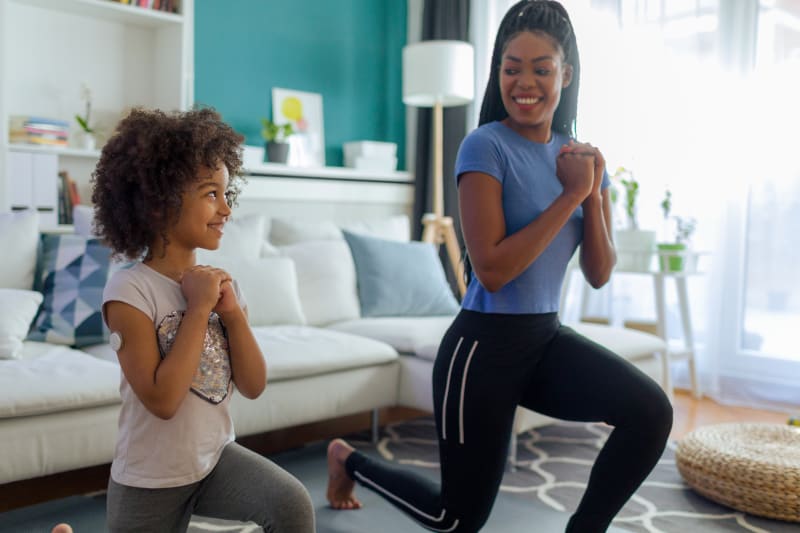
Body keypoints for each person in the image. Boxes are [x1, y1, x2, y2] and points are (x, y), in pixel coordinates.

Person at [326, 1, 673, 531]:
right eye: (512, 68)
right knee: (455, 520)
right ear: (498, 73)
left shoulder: (580, 160)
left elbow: (600, 273)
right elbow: (491, 270)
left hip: (544, 340)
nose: (524, 82)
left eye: (541, 69)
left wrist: (592, 193)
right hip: (481, 350)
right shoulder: (484, 147)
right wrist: (570, 196)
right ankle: (348, 461)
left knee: (650, 412)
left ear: (566, 74)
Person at [92, 108, 315, 533]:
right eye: (211, 194)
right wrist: (197, 310)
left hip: (214, 461)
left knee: (291, 504)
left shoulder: (222, 286)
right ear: (160, 202)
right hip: (148, 479)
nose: (226, 209)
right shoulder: (129, 291)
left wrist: (232, 316)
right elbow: (162, 401)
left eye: (227, 194)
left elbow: (253, 385)